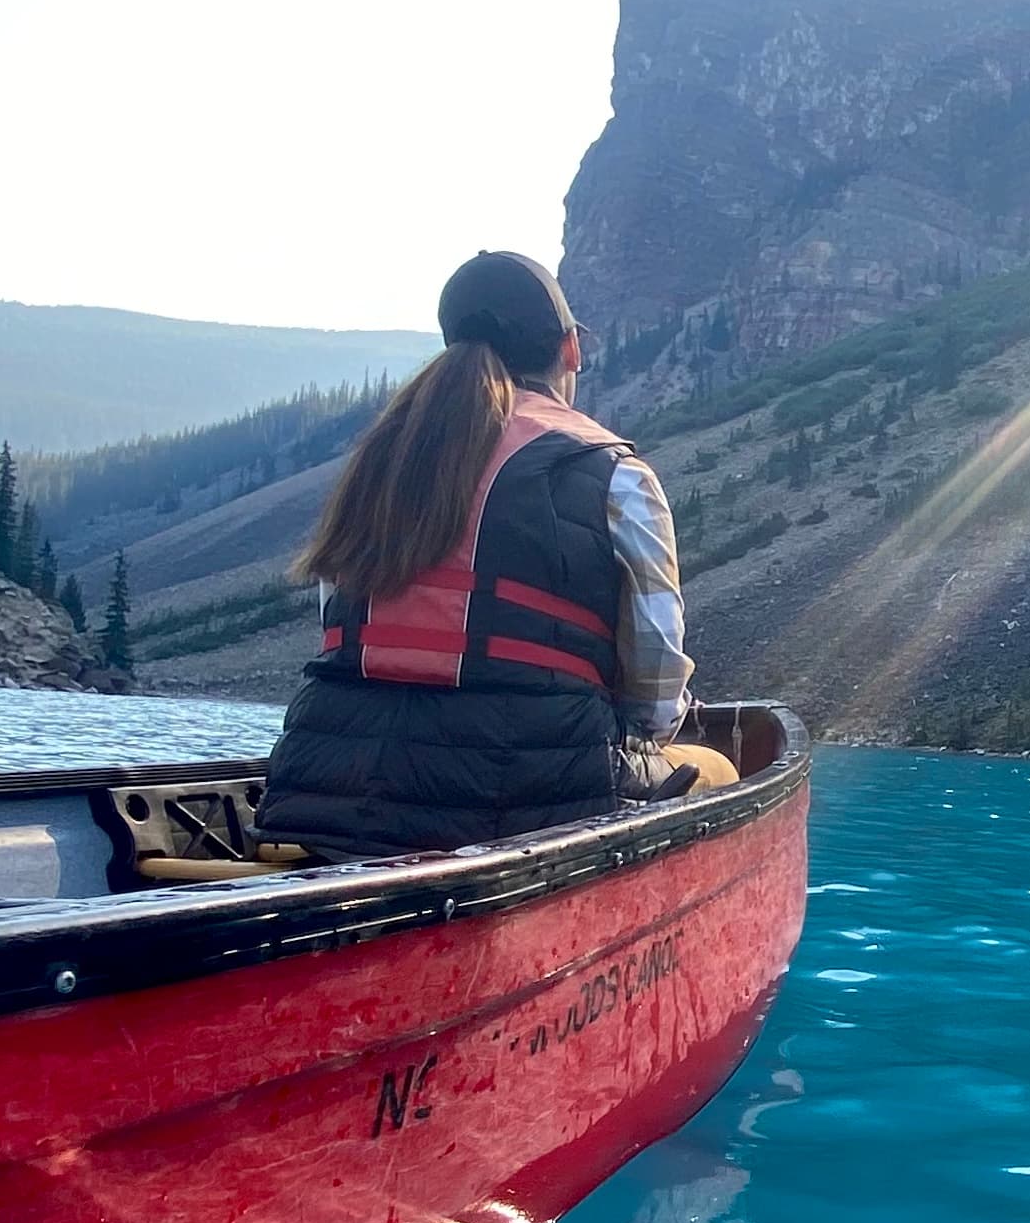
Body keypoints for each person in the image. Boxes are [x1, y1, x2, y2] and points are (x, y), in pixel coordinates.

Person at [255, 250, 736, 858]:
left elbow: (341, 620)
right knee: (716, 768)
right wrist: (646, 735)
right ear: (571, 351)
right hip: (531, 799)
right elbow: (655, 675)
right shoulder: (612, 473)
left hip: (326, 787)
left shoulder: (382, 461)